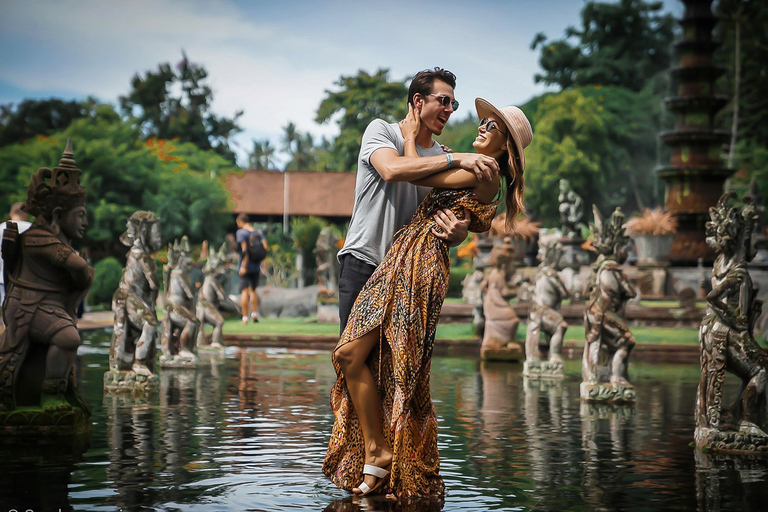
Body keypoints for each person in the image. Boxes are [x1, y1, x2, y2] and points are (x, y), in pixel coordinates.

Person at [323, 96, 532, 500]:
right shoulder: (468, 161)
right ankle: (378, 450)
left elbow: (414, 177)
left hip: (421, 266)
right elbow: (430, 180)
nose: (482, 127)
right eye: (484, 122)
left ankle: (385, 456)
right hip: (399, 259)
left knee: (394, 365)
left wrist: (421, 137)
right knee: (351, 354)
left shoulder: (485, 168)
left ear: (505, 147)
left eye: (493, 127)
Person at [335, 67, 503, 335]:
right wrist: (457, 157)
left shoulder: (441, 156)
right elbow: (392, 170)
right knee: (350, 360)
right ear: (418, 101)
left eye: (454, 104)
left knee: (393, 369)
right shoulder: (383, 131)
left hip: (407, 274)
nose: (450, 110)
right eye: (444, 101)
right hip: (364, 262)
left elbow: (448, 213)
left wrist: (458, 234)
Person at [235, 213, 268, 324]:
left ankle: (245, 317)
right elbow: (265, 247)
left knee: (244, 291)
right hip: (256, 266)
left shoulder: (241, 233)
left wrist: (243, 266)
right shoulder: (258, 232)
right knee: (253, 290)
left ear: (240, 221)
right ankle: (254, 314)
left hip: (245, 266)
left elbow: (244, 250)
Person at [0, 203, 32, 310]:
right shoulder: (31, 229)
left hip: (1, 278)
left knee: (5, 311)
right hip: (25, 280)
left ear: (10, 214)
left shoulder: (0, 228)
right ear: (25, 214)